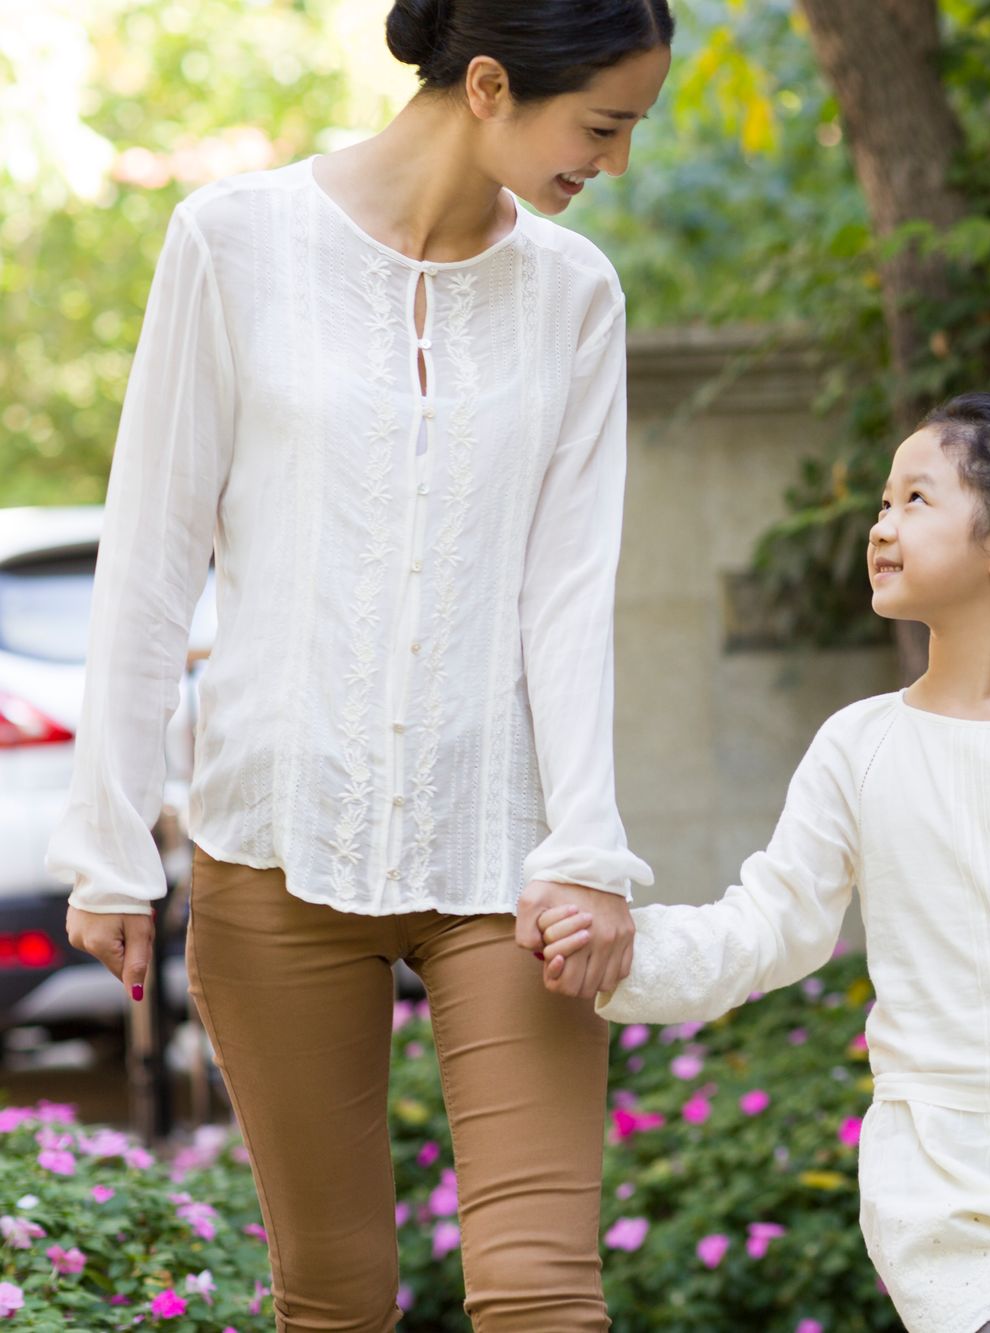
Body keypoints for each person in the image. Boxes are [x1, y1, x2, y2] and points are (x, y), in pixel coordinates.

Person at [48, 3, 675, 1327]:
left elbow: (568, 593)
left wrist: (587, 844)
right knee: (331, 1295)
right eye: (603, 126)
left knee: (544, 1290)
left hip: (506, 853)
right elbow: (155, 551)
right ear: (491, 84)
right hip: (274, 839)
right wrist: (108, 839)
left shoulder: (576, 294)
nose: (613, 163)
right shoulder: (236, 241)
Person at [533, 392, 990, 1332]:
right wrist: (624, 955)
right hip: (934, 1163)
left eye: (914, 500)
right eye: (882, 503)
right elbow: (773, 922)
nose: (880, 525)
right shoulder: (858, 742)